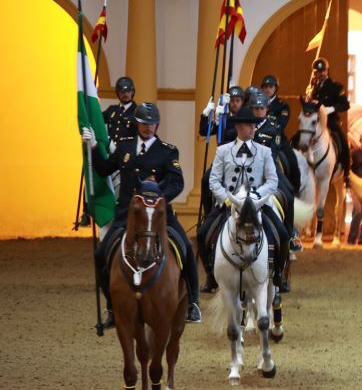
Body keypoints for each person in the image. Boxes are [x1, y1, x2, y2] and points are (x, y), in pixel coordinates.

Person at [82, 102, 202, 325]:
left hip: (157, 214)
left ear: (157, 125)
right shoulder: (125, 149)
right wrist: (93, 148)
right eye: (145, 124)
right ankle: (112, 307)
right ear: (137, 124)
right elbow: (104, 169)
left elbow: (177, 182)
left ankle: (193, 302)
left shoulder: (167, 151)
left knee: (185, 248)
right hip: (127, 213)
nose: (149, 128)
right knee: (100, 256)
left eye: (153, 124)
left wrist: (157, 199)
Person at [196, 105, 287, 294]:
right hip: (229, 204)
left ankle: (278, 272)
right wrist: (225, 199)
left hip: (257, 205)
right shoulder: (223, 151)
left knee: (283, 234)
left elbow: (272, 181)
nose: (254, 129)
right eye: (250, 125)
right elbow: (213, 180)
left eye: (254, 125)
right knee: (202, 234)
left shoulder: (264, 151)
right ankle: (211, 275)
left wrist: (256, 197)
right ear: (239, 128)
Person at [250, 91, 300, 272]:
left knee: (288, 194)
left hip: (270, 171)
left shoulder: (273, 128)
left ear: (267, 109)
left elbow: (273, 152)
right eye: (255, 108)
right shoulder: (244, 125)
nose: (258, 111)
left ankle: (291, 233)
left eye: (261, 108)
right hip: (246, 173)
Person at [304, 57, 351, 185]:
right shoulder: (311, 87)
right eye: (318, 72)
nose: (321, 74)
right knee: (301, 138)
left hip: (330, 121)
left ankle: (347, 174)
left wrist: (331, 108)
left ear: (327, 71)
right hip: (314, 121)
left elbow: (345, 105)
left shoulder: (336, 87)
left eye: (323, 71)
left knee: (343, 142)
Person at [102, 76, 138, 142]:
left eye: (128, 91)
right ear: (118, 93)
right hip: (111, 149)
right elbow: (97, 119)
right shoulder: (111, 110)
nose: (125, 94)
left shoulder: (138, 111)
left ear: (132, 92)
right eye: (122, 92)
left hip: (129, 150)